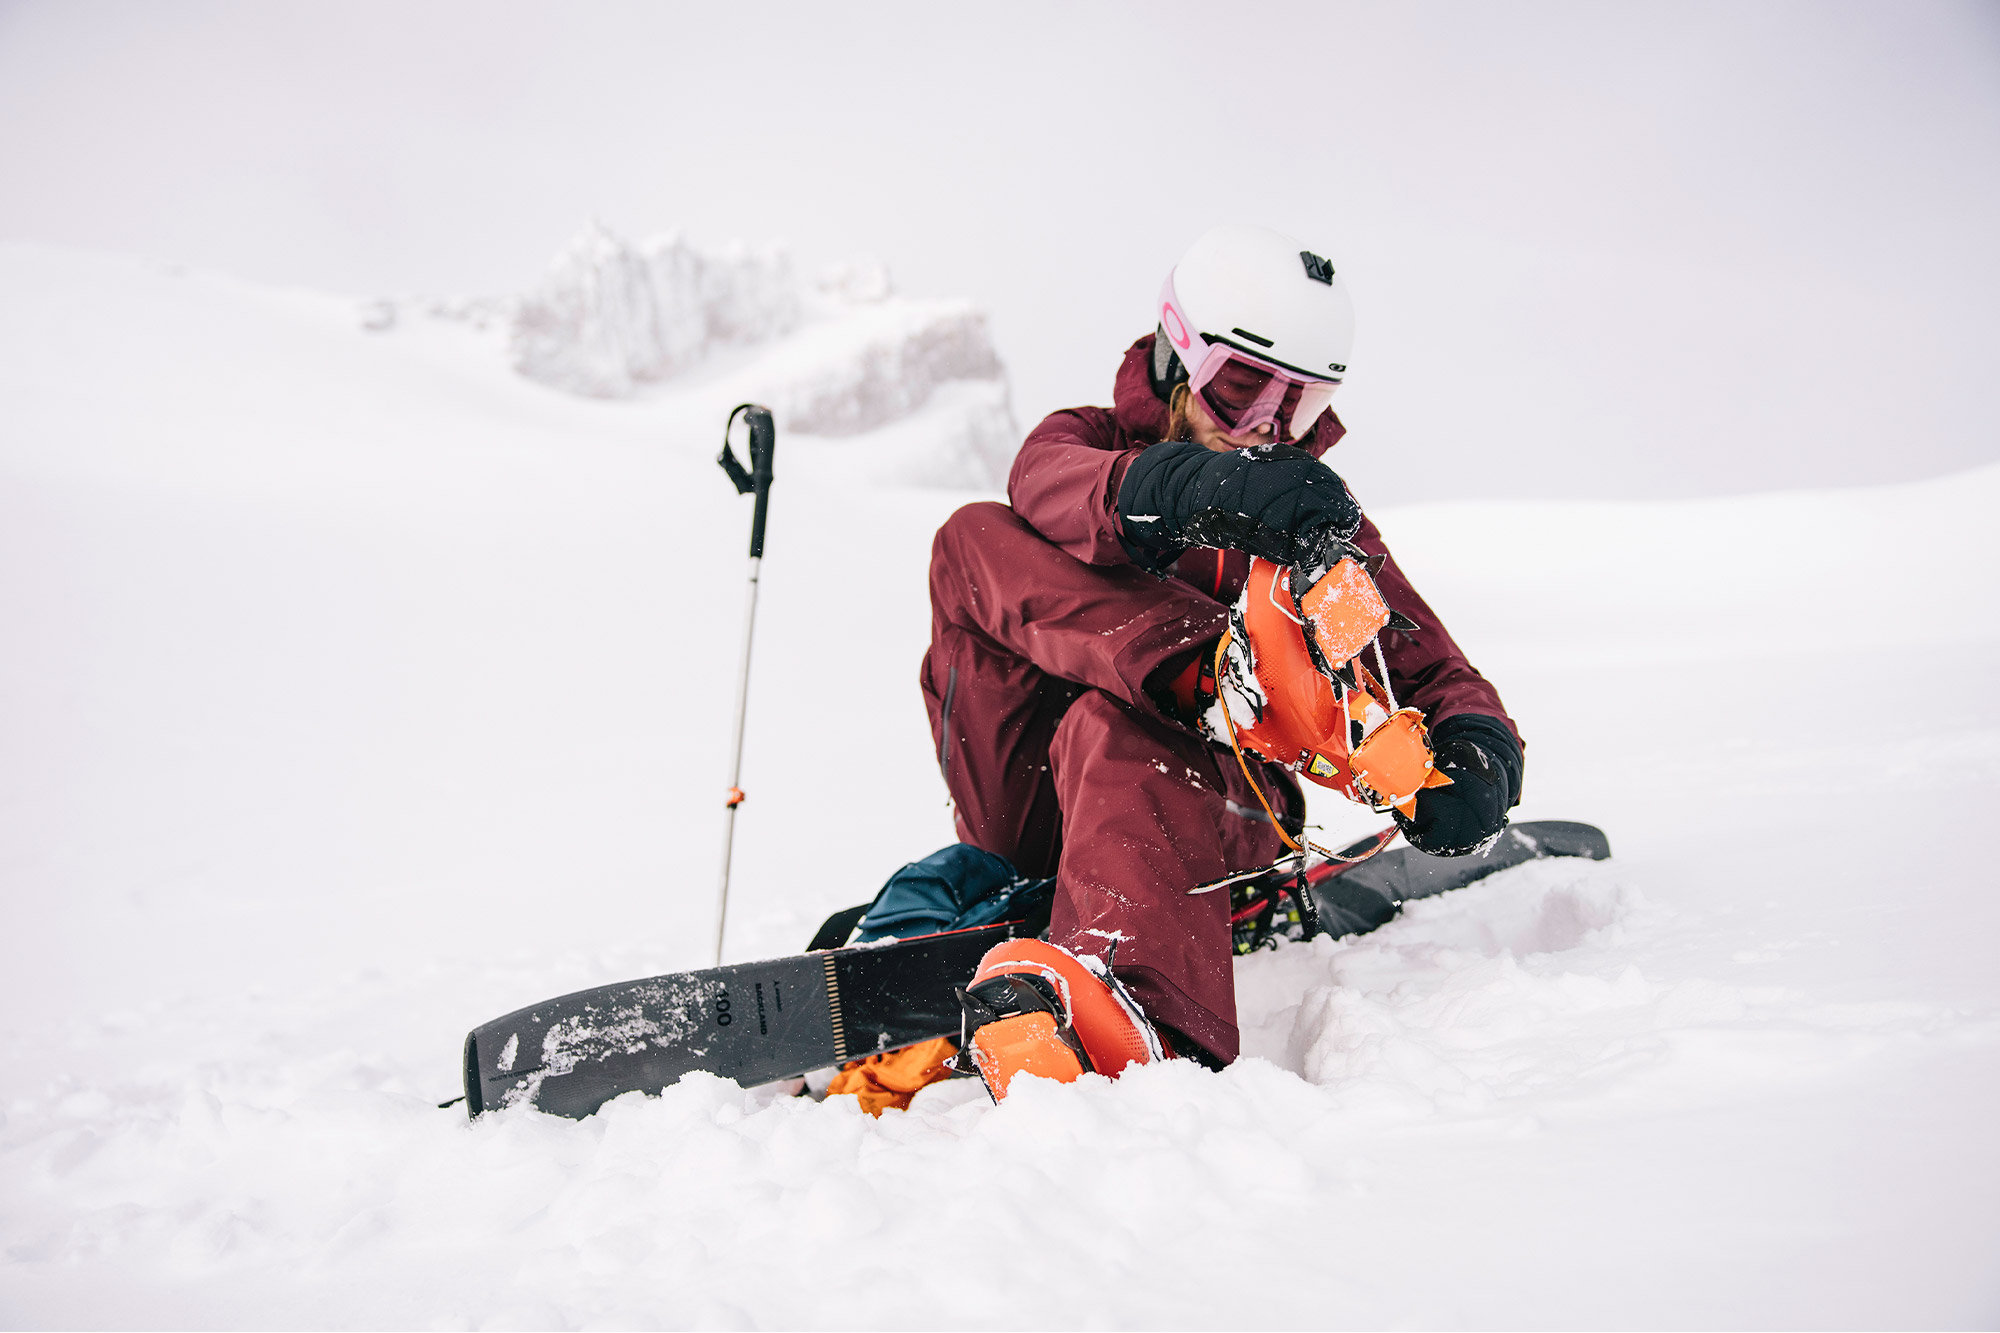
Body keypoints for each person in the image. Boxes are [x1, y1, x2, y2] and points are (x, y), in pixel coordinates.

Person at [834, 224, 1524, 1109]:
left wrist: (1478, 748)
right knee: (972, 539)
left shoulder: (1312, 530)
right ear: (1176, 354)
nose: (1271, 424)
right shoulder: (1083, 442)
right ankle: (1216, 678)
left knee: (1111, 724)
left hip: (1216, 805)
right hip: (1032, 807)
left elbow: (1430, 662)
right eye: (1243, 387)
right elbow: (1046, 484)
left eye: (1301, 404)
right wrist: (1192, 494)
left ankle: (1139, 1015)